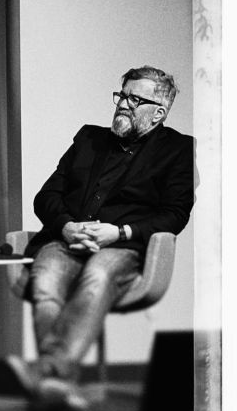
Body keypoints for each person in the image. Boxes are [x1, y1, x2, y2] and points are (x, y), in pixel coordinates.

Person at [22, 65, 195, 391]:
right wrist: (67, 227)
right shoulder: (89, 139)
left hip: (121, 247)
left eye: (134, 99)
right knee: (44, 282)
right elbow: (45, 197)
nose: (123, 104)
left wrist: (120, 232)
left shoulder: (178, 150)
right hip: (66, 240)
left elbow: (175, 214)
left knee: (98, 275)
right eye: (121, 95)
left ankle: (51, 375)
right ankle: (56, 382)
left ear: (158, 113)